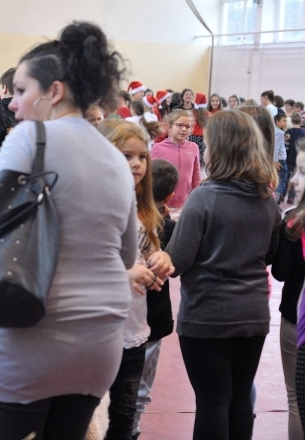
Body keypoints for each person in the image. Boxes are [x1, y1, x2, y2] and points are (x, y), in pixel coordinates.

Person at [0, 22, 138, 440]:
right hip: (99, 340)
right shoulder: (116, 158)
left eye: (20, 90)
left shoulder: (29, 138)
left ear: (55, 91)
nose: (13, 103)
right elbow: (126, 256)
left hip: (32, 331)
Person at [166, 109, 281, 440]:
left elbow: (177, 261)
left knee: (212, 401)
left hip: (208, 313)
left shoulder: (204, 198)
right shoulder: (266, 200)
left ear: (218, 148)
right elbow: (270, 253)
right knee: (239, 397)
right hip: (252, 313)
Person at [99, 119, 173, 440]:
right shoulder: (93, 206)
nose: (137, 164)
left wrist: (161, 258)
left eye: (142, 156)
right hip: (97, 329)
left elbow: (149, 250)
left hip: (133, 326)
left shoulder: (145, 209)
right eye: (127, 156)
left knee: (124, 414)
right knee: (91, 415)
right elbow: (81, 261)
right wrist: (125, 272)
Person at [132, 158, 178, 439]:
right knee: (139, 387)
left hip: (145, 320)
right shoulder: (168, 228)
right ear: (170, 195)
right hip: (149, 318)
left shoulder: (162, 227)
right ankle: (132, 429)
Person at [272, 138, 305, 440]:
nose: (294, 179)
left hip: (296, 320)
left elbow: (280, 273)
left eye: (302, 172)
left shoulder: (294, 225)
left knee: (296, 399)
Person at [150, 109, 201, 209]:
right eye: (180, 125)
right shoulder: (158, 148)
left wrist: (198, 196)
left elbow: (196, 176)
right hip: (161, 203)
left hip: (184, 202)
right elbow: (150, 175)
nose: (184, 129)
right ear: (169, 127)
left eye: (187, 126)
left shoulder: (194, 147)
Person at [286, 113, 305, 204]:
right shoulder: (303, 132)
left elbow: (286, 145)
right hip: (297, 159)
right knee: (296, 176)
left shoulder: (289, 131)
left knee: (287, 177)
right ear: (301, 121)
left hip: (289, 157)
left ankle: (282, 194)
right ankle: (291, 196)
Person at [276, 113, 290, 203]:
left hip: (277, 159)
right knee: (282, 180)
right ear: (277, 121)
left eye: (286, 121)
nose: (286, 123)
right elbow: (275, 147)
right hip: (280, 159)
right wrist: (275, 160)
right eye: (283, 121)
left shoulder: (276, 131)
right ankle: (276, 200)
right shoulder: (280, 132)